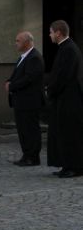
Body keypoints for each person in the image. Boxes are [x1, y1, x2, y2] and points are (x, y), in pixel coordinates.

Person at [46, 20, 83, 178]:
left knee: (70, 134)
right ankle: (67, 165)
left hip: (69, 100)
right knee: (64, 133)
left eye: (51, 32)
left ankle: (74, 167)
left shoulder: (68, 49)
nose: (50, 35)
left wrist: (50, 90)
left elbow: (63, 76)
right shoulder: (66, 48)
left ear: (58, 32)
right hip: (65, 98)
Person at [5, 32, 45, 167]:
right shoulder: (23, 57)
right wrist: (9, 81)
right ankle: (26, 155)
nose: (15, 43)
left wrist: (12, 86)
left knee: (30, 130)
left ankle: (33, 157)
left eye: (18, 41)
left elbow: (28, 79)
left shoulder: (34, 57)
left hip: (29, 101)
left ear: (27, 42)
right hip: (20, 101)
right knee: (23, 130)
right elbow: (17, 74)